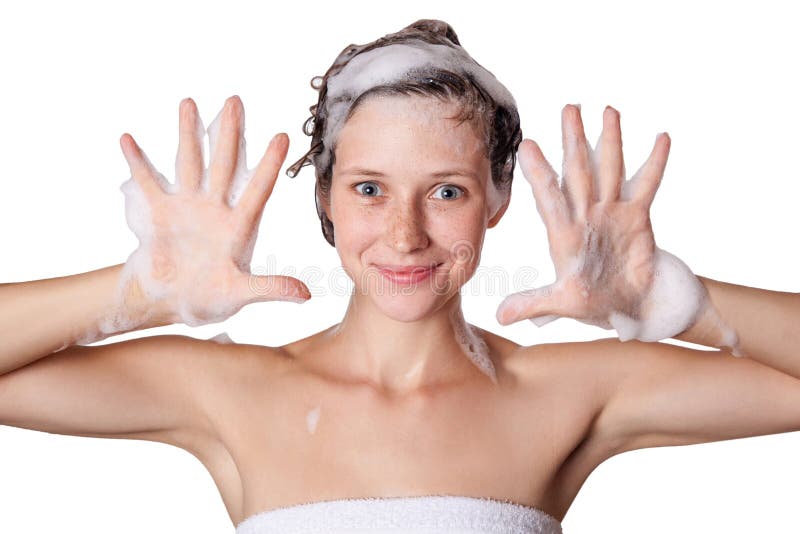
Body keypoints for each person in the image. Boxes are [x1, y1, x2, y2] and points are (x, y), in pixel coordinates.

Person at [1, 18, 798, 534]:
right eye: (370, 189)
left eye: (445, 192)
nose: (405, 235)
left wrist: (673, 301)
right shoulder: (229, 392)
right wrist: (133, 295)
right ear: (325, 196)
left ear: (496, 199)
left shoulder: (569, 392)